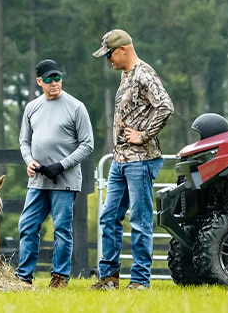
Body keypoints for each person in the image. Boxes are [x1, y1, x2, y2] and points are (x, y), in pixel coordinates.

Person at [89, 29, 173, 291]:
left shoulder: (143, 74)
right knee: (108, 217)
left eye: (110, 54)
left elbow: (165, 106)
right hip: (120, 161)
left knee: (139, 219)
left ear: (123, 49)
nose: (108, 60)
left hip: (139, 160)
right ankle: (109, 278)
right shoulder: (126, 75)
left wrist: (144, 135)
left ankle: (139, 281)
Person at [14, 59, 95, 289]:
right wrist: (29, 161)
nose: (54, 83)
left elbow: (87, 144)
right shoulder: (32, 108)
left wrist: (61, 165)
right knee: (27, 225)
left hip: (65, 181)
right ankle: (24, 277)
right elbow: (24, 141)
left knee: (62, 229)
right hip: (38, 180)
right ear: (39, 81)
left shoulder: (76, 107)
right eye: (48, 79)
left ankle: (59, 277)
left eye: (57, 77)